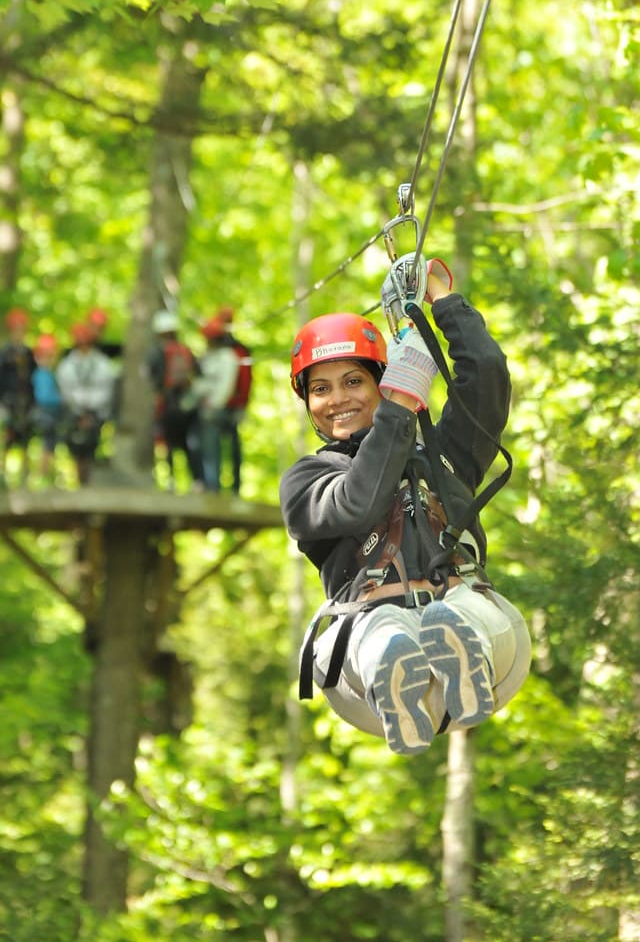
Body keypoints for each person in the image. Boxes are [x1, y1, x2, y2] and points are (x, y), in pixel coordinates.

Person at [279, 261, 531, 756]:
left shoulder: (442, 456)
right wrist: (400, 398)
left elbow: (487, 375)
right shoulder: (307, 481)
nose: (337, 400)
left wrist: (442, 300)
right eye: (321, 389)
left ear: (377, 383)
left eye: (353, 381)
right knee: (383, 632)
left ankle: (459, 648)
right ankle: (400, 673)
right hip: (365, 673)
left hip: (485, 648)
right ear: (307, 403)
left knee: (460, 612)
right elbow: (360, 500)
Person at [147, 310, 203, 491]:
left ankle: (171, 481)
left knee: (169, 443)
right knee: (190, 444)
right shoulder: (186, 350)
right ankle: (197, 482)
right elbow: (199, 373)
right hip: (188, 404)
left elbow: (150, 376)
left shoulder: (157, 352)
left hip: (168, 403)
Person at [56, 323, 117, 485]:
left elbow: (107, 388)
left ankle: (91, 480)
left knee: (92, 445)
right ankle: (79, 480)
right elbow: (65, 389)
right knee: (75, 447)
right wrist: (78, 409)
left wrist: (91, 407)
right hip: (74, 413)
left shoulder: (102, 363)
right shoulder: (67, 365)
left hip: (97, 413)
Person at [191, 314, 244, 494]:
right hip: (202, 409)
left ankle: (215, 488)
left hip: (217, 411)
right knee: (202, 447)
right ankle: (207, 485)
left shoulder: (227, 358)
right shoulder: (208, 357)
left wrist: (213, 405)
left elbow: (226, 386)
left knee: (214, 449)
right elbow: (201, 383)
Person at [0, 307, 36, 487]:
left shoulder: (28, 353)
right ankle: (3, 477)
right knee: (7, 439)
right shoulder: (4, 353)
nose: (19, 334)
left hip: (25, 403)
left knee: (25, 440)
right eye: (16, 330)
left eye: (22, 330)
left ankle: (25, 479)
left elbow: (33, 378)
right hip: (8, 402)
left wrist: (33, 401)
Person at [31, 333, 64, 484]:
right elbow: (44, 397)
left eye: (50, 355)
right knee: (47, 445)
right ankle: (43, 478)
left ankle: (47, 477)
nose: (48, 359)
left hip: (50, 415)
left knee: (50, 446)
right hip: (47, 414)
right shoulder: (42, 375)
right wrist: (61, 400)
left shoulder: (48, 374)